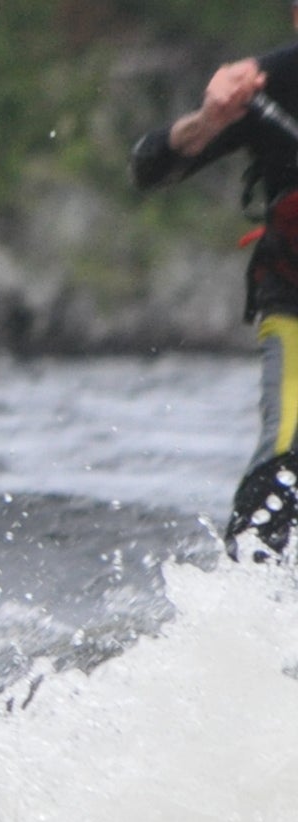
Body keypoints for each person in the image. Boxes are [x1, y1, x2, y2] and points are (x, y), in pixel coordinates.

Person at [135, 8, 298, 550]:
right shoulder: (265, 90)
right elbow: (151, 165)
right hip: (294, 301)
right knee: (286, 460)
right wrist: (208, 121)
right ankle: (251, 593)